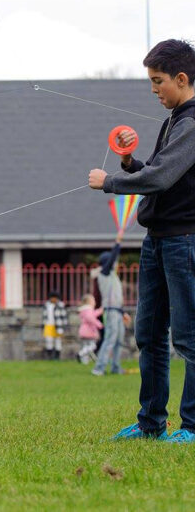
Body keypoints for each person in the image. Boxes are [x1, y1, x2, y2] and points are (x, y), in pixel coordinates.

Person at [89, 39, 195, 442]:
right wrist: (131, 163)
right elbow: (155, 169)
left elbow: (161, 178)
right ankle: (151, 423)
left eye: (158, 81)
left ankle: (192, 426)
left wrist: (111, 182)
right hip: (157, 240)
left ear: (181, 79)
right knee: (149, 334)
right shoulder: (174, 120)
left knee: (187, 337)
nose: (153, 90)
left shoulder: (191, 122)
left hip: (184, 241)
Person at [91, 229, 130, 376]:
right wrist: (118, 243)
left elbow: (117, 298)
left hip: (117, 311)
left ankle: (115, 367)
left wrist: (123, 312)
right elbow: (113, 258)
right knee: (110, 339)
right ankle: (98, 368)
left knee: (119, 340)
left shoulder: (113, 276)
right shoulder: (104, 274)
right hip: (110, 312)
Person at [77, 293, 103, 364]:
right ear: (89, 302)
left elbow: (93, 314)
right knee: (92, 346)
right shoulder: (88, 309)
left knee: (86, 345)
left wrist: (100, 310)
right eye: (93, 300)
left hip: (84, 331)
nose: (95, 302)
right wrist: (99, 324)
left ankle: (84, 361)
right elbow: (90, 318)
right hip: (88, 331)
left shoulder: (85, 310)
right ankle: (81, 353)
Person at [42, 290, 68, 360]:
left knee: (58, 340)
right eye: (52, 298)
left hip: (58, 325)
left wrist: (64, 326)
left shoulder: (61, 305)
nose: (53, 299)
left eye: (55, 298)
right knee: (49, 340)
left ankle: (57, 356)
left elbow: (64, 316)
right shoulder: (47, 305)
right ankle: (49, 355)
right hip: (48, 325)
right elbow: (44, 315)